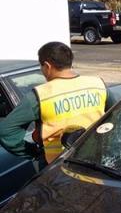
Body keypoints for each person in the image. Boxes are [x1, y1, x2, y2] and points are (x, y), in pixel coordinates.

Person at [0, 42, 110, 170]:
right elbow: (116, 114)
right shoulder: (97, 83)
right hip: (96, 158)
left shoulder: (40, 95)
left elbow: (5, 131)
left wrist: (33, 152)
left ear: (47, 66)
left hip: (56, 166)